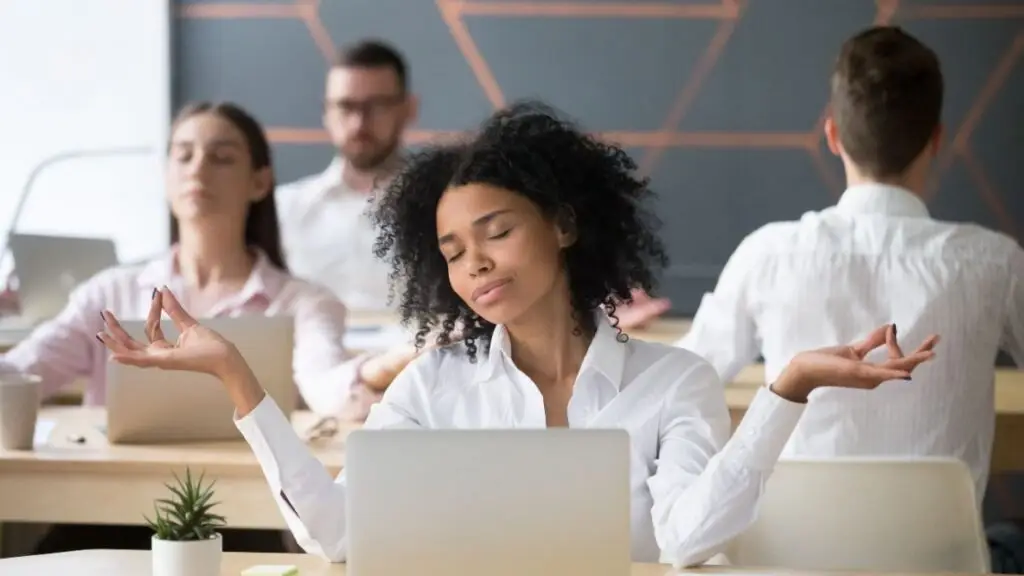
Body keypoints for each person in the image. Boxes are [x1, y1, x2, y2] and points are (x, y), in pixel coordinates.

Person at [97, 101, 938, 567]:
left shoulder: (672, 381)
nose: (476, 267)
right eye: (454, 252)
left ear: (566, 224)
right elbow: (340, 533)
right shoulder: (432, 385)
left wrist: (784, 390)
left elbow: (688, 541)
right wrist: (242, 381)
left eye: (497, 231)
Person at [623, 26, 1024, 507]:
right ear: (936, 140)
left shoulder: (767, 254)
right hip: (943, 560)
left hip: (793, 558)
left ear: (831, 134)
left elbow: (679, 379)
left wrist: (618, 336)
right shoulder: (998, 264)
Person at [0, 101, 411, 422]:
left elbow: (326, 385)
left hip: (243, 507)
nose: (198, 168)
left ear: (259, 182)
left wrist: (382, 367)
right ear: (166, 175)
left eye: (222, 157)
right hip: (113, 504)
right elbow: (24, 370)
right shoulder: (110, 293)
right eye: (184, 156)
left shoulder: (303, 303)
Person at [276, 39, 416, 312]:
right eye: (345, 106)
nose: (359, 123)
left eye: (376, 106)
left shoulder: (443, 204)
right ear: (326, 113)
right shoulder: (284, 209)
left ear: (408, 109)